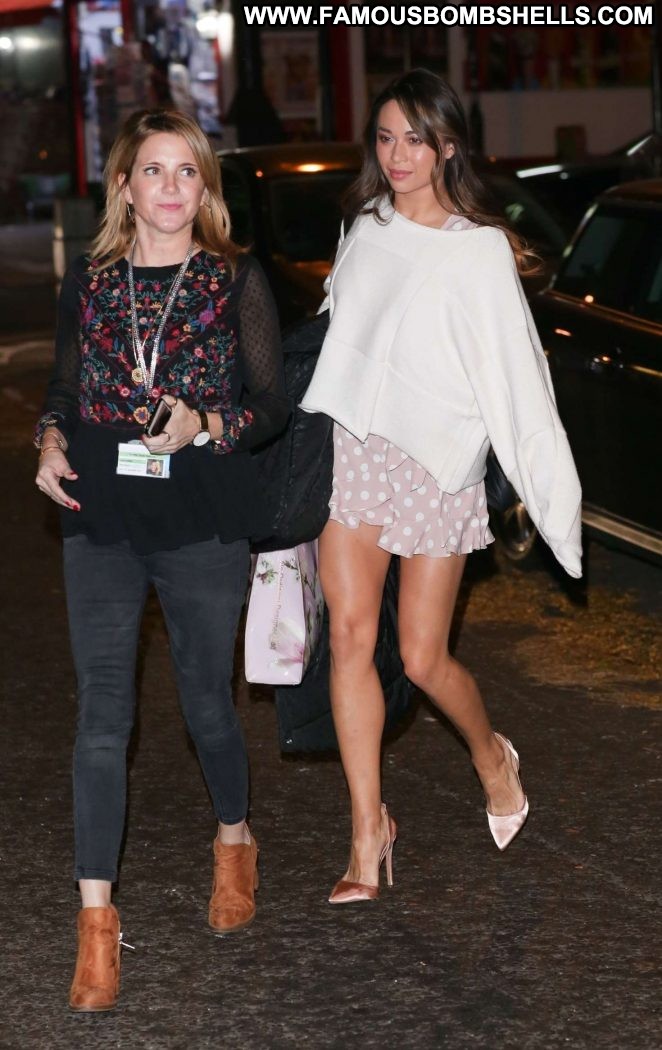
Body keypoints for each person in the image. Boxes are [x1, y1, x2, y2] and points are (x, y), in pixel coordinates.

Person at [300, 69, 582, 904]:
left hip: (435, 466)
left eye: (416, 140)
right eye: (386, 138)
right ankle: (367, 833)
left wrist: (555, 504)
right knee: (350, 639)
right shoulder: (364, 226)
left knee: (422, 658)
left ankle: (493, 757)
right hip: (356, 451)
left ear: (448, 147)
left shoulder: (477, 249)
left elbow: (517, 379)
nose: (398, 155)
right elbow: (340, 335)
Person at [34, 108, 289, 1009]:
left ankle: (235, 840)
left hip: (201, 515)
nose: (171, 186)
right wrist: (49, 438)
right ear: (126, 186)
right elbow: (65, 384)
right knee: (102, 716)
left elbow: (271, 405)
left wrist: (205, 423)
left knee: (205, 704)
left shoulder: (233, 279)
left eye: (188, 171)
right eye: (154, 170)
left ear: (203, 187)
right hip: (100, 510)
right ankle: (96, 928)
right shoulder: (92, 281)